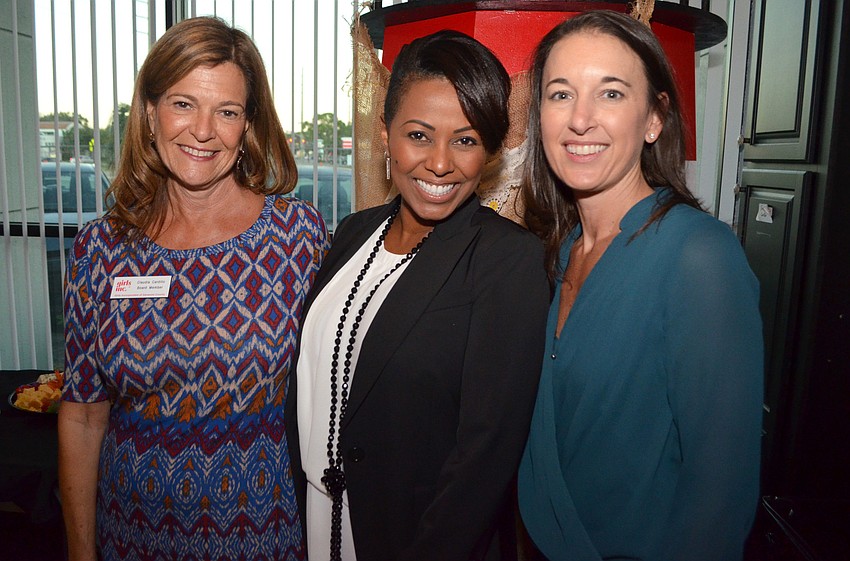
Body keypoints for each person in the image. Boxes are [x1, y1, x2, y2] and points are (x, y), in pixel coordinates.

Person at [58, 17, 327, 561]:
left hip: (264, 537)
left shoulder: (298, 237)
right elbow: (84, 414)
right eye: (183, 104)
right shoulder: (100, 250)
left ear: (247, 126)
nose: (203, 130)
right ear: (150, 113)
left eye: (226, 112)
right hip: (129, 537)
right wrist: (82, 552)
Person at [285, 30, 550, 561]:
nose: (440, 163)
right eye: (419, 135)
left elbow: (485, 456)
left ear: (490, 152)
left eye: (466, 140)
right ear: (385, 136)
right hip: (320, 520)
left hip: (415, 539)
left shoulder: (507, 260)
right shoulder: (353, 233)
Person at [517, 10, 764, 561]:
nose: (580, 120)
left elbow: (720, 497)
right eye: (560, 95)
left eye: (610, 94)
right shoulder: (555, 254)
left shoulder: (699, 256)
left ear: (654, 119)